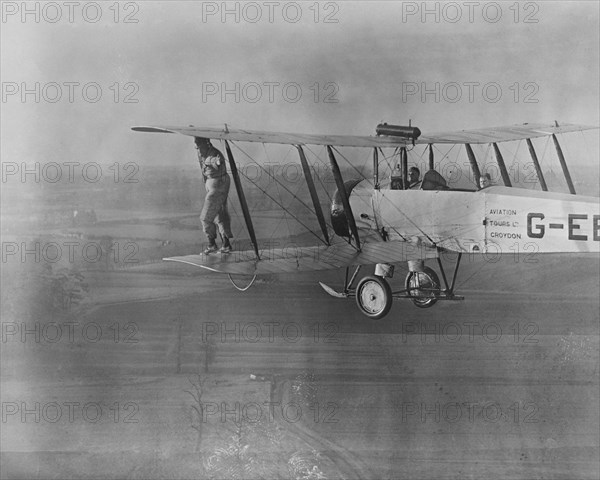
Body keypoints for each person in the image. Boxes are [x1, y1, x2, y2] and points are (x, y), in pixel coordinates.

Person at [195, 137, 233, 254]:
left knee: (205, 218)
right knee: (219, 214)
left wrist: (215, 161)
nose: (198, 150)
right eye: (197, 147)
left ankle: (212, 244)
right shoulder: (206, 154)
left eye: (199, 146)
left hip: (217, 188)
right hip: (216, 185)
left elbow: (216, 161)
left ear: (206, 144)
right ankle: (226, 244)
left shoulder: (213, 155)